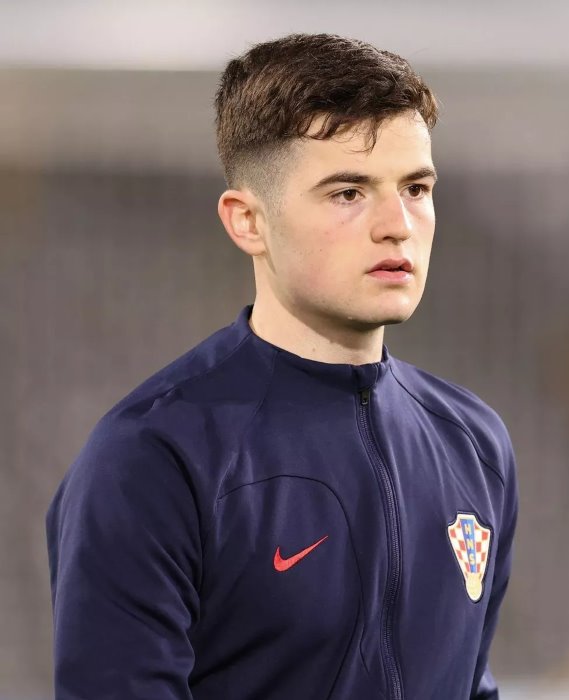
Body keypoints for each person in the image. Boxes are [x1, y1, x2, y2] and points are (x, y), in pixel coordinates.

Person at [46, 33, 518, 700]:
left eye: (416, 187)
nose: (398, 224)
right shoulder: (152, 459)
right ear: (248, 221)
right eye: (348, 192)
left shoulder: (476, 443)